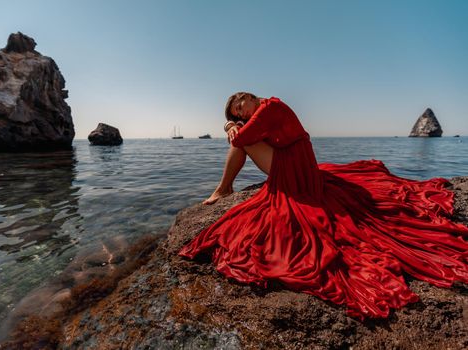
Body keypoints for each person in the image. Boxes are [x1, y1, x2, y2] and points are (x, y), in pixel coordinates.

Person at [179, 92, 468, 320]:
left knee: (238, 143)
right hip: (300, 164)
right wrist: (235, 124)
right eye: (238, 113)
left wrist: (231, 126)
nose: (241, 112)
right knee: (240, 141)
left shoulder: (268, 109)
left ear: (250, 96)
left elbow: (241, 138)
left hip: (294, 169)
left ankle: (224, 188)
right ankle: (224, 187)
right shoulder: (268, 107)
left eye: (240, 106)